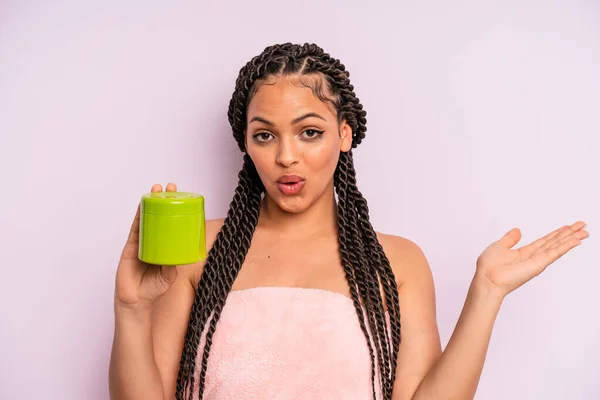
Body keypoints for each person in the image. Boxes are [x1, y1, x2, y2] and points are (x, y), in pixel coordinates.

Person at [108, 43, 589, 400]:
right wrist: (131, 311)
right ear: (247, 144)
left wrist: (486, 292)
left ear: (344, 135)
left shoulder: (395, 262)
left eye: (309, 132)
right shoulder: (199, 248)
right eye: (264, 135)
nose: (286, 157)